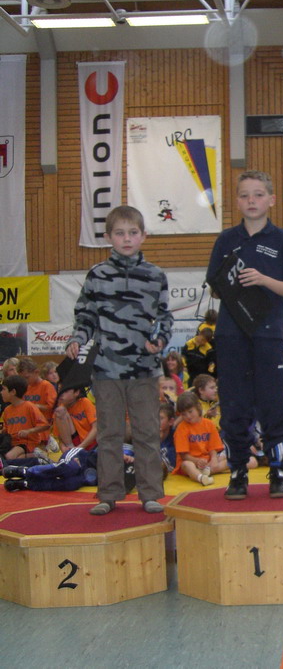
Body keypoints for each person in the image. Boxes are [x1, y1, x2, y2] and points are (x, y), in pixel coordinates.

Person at [64, 204, 173, 515]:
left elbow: (164, 318)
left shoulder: (155, 276)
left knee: (147, 433)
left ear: (143, 236)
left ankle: (150, 494)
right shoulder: (97, 275)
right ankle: (108, 494)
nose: (127, 238)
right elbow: (85, 316)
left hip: (144, 369)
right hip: (106, 369)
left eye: (133, 233)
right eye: (120, 233)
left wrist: (159, 341)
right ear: (108, 237)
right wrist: (77, 340)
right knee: (109, 434)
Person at [206, 170, 283, 499]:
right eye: (245, 195)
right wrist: (231, 283)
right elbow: (215, 289)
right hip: (230, 336)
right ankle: (238, 472)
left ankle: (278, 472)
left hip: (268, 336)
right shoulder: (225, 240)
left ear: (271, 200)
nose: (252, 200)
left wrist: (262, 280)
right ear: (237, 201)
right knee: (234, 407)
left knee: (273, 405)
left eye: (258, 194)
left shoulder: (282, 240)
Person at [173, 391, 227, 486]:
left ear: (198, 407)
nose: (188, 416)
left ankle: (208, 471)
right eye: (184, 414)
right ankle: (201, 477)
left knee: (227, 458)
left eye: (190, 412)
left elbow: (213, 448)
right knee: (187, 464)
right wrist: (197, 461)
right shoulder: (181, 428)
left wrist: (213, 459)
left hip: (206, 462)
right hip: (190, 462)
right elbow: (184, 456)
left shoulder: (209, 424)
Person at [1, 375, 51, 461]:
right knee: (10, 458)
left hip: (27, 442)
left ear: (13, 392)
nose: (1, 392)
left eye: (3, 389)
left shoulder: (29, 407)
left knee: (9, 456)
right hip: (13, 443)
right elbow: (7, 429)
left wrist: (29, 431)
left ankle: (37, 454)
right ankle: (35, 456)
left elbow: (45, 425)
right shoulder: (7, 410)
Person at [18, 357, 57, 451]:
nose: (25, 381)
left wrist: (36, 406)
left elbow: (53, 407)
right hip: (29, 424)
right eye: (22, 378)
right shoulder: (25, 387)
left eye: (27, 377)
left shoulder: (46, 385)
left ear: (36, 372)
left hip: (44, 425)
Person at [52, 385, 98, 451]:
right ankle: (71, 450)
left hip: (92, 444)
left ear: (76, 392)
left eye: (65, 391)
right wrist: (63, 447)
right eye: (59, 390)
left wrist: (79, 448)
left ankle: (74, 451)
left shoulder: (84, 402)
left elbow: (96, 428)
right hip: (74, 444)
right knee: (60, 410)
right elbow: (60, 437)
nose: (61, 394)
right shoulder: (59, 411)